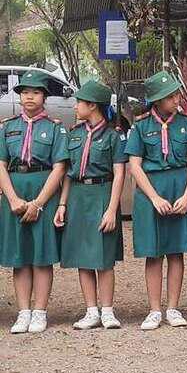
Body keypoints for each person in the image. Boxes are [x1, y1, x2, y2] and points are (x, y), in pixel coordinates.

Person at [125, 70, 187, 331]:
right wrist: (154, 197)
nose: (176, 99)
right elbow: (135, 166)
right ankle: (154, 310)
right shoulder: (141, 126)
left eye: (176, 94)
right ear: (157, 100)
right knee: (153, 252)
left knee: (176, 250)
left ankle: (173, 308)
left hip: (180, 187)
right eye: (170, 96)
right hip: (151, 191)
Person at [54, 80, 126, 330]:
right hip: (78, 195)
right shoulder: (74, 134)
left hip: (102, 193)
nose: (75, 107)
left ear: (92, 105)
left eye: (79, 103)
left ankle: (107, 311)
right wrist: (62, 204)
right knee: (82, 256)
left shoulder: (113, 136)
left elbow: (119, 174)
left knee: (104, 257)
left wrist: (112, 209)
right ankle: (91, 311)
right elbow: (68, 173)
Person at [0, 69, 68, 334]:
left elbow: (60, 167)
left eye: (36, 92)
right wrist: (12, 198)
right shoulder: (7, 127)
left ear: (44, 97)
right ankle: (23, 312)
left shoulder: (55, 128)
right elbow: (1, 164)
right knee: (20, 256)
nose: (29, 97)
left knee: (41, 255)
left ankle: (40, 311)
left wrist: (39, 203)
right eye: (25, 92)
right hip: (14, 191)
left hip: (43, 190)